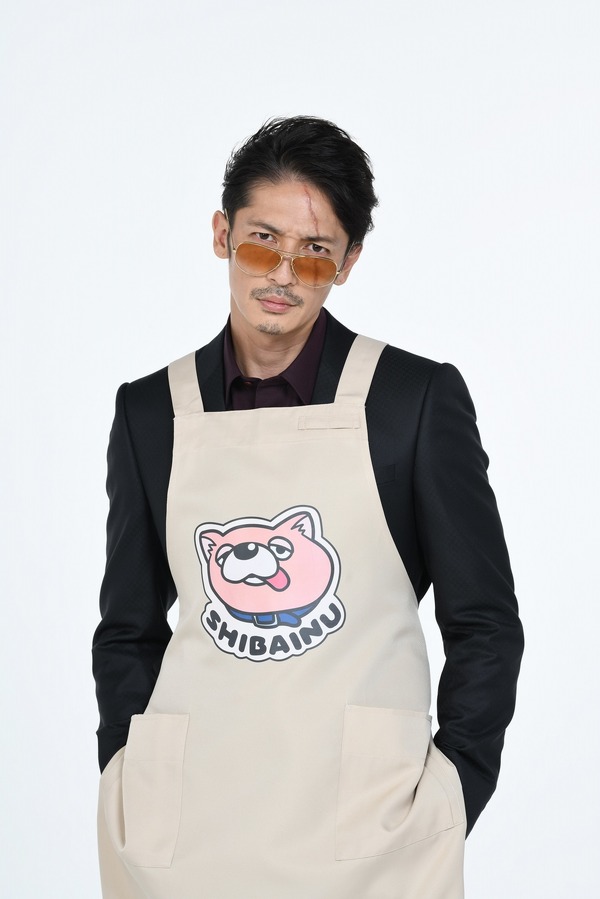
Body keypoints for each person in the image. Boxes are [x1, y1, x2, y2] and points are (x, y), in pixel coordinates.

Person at [93, 116, 523, 899]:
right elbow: (128, 628)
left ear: (348, 262)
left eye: (315, 252)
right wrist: (127, 775)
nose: (283, 275)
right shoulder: (150, 412)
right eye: (262, 243)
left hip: (369, 844)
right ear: (222, 234)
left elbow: (485, 622)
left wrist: (453, 791)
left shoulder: (412, 401)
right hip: (185, 838)